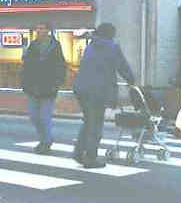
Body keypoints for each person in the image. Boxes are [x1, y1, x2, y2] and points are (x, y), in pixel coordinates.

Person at [72, 23, 135, 168]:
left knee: (88, 121)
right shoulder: (112, 47)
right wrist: (131, 80)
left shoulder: (91, 45)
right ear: (111, 34)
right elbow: (122, 66)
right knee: (95, 125)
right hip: (97, 91)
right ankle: (90, 158)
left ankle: (79, 152)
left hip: (81, 88)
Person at [21, 23, 66, 154]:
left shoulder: (55, 46)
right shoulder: (32, 45)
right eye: (38, 28)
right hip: (32, 87)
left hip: (48, 87)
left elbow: (60, 65)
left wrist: (57, 82)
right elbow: (27, 65)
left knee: (44, 117)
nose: (39, 30)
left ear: (48, 30)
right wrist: (24, 83)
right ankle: (46, 138)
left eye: (42, 28)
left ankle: (45, 142)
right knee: (34, 116)